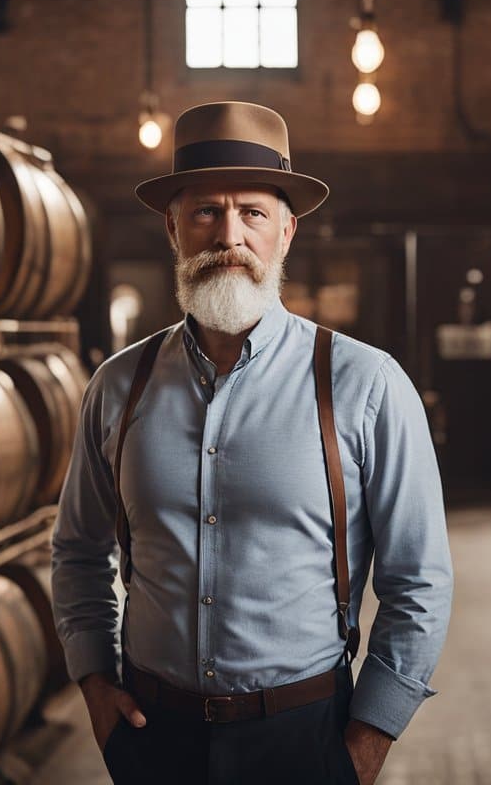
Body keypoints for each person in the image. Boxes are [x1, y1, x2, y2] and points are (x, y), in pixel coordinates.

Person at [51, 101, 453, 785]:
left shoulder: (366, 384)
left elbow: (418, 581)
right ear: (172, 226)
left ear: (287, 232)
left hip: (305, 738)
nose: (227, 235)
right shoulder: (119, 386)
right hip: (153, 736)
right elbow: (79, 551)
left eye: (253, 214)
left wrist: (366, 744)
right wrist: (95, 689)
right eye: (205, 211)